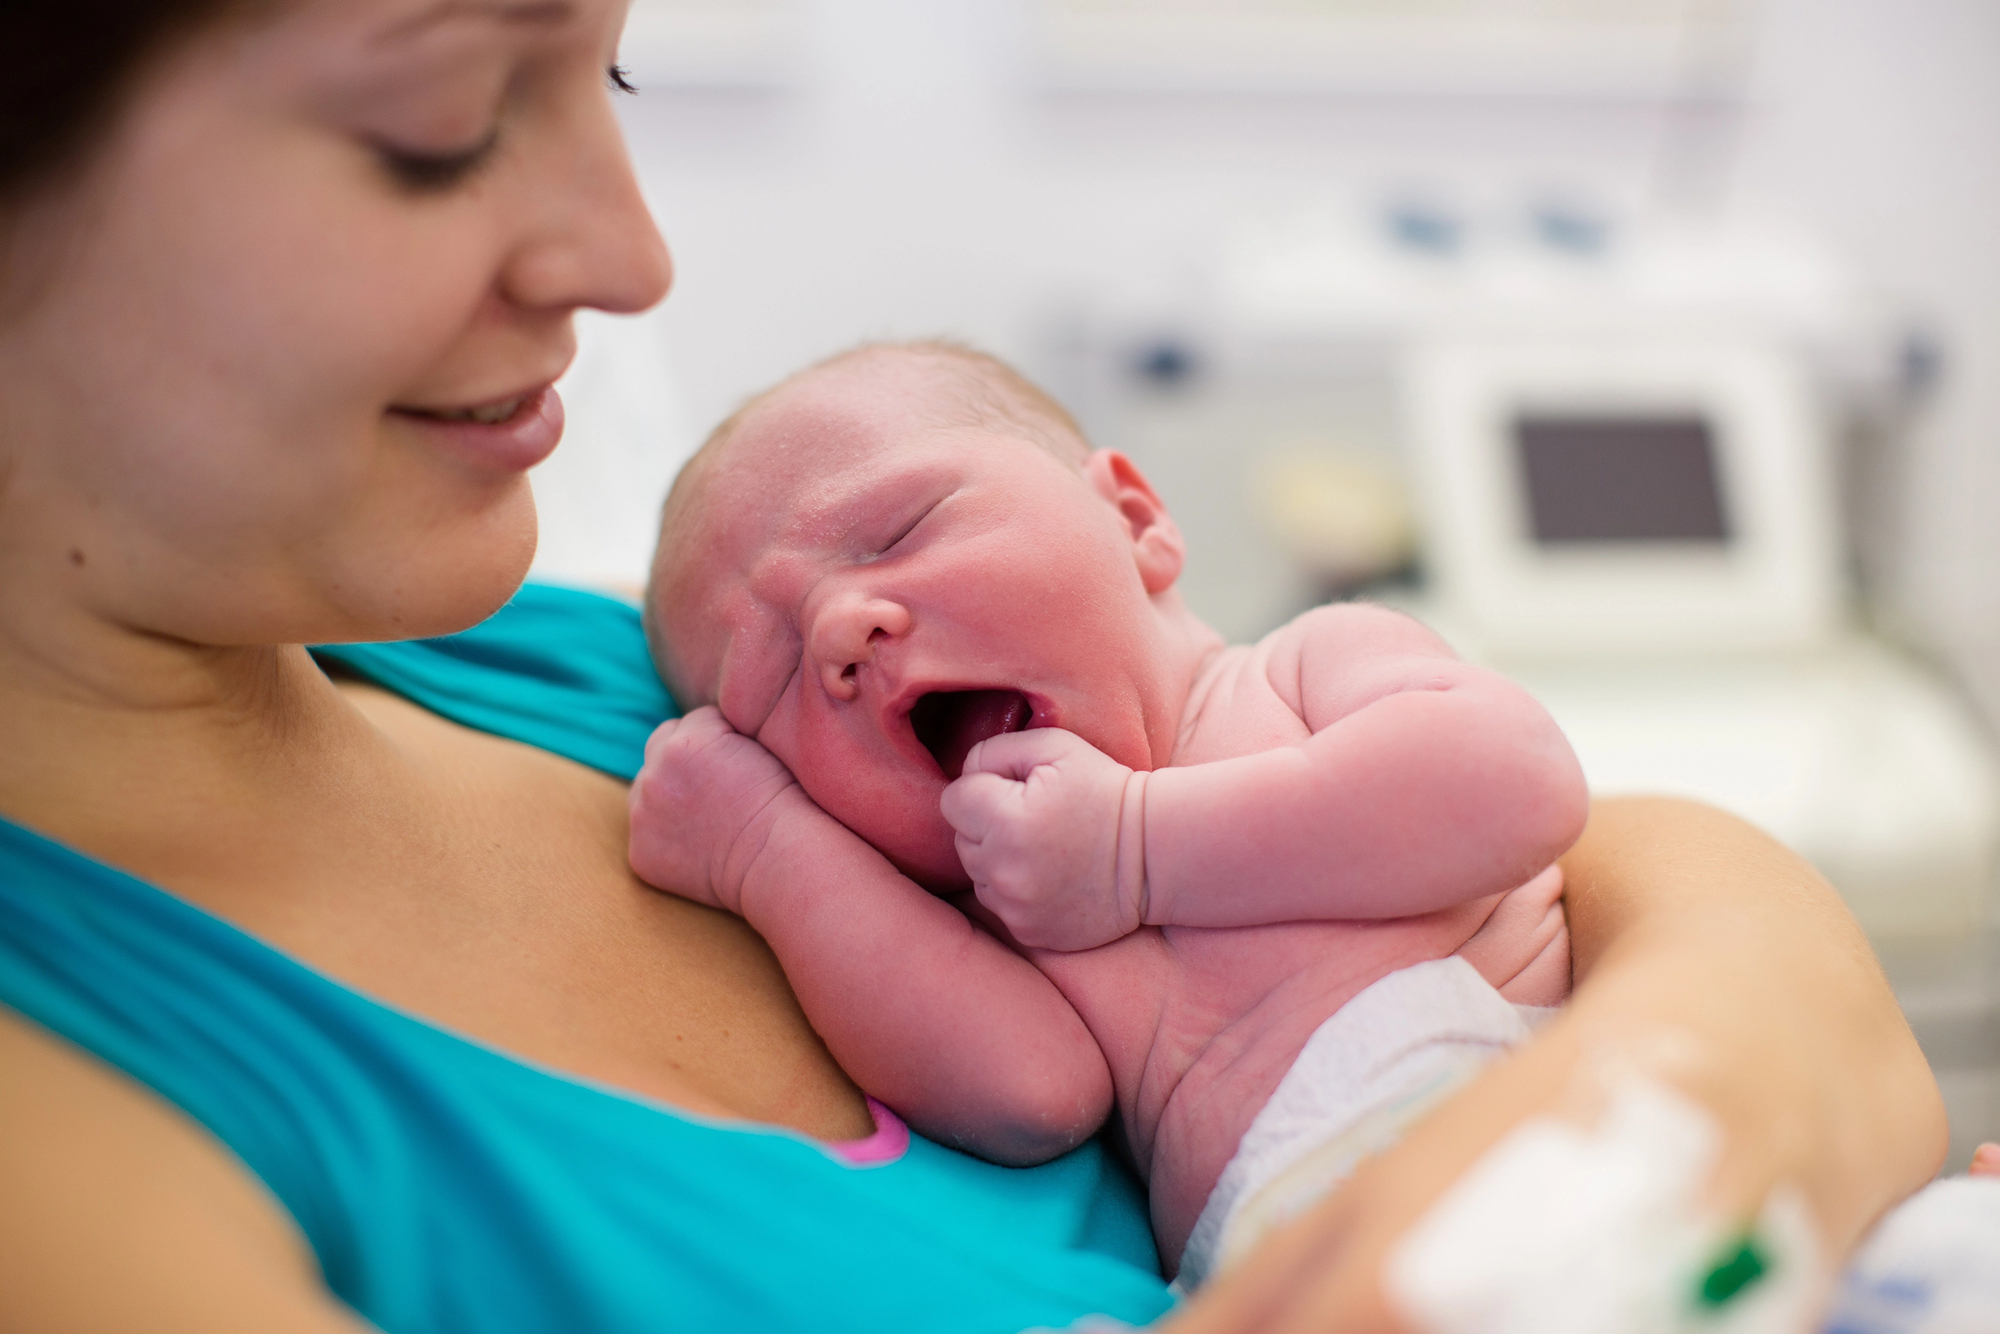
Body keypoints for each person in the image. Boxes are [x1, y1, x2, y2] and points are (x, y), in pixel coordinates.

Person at [0, 1, 1945, 1331]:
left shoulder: (547, 664)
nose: (629, 248)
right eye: (434, 127)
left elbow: (1569, 822)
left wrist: (1710, 1063)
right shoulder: (83, 1145)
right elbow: (1022, 1081)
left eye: (620, 71)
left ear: (1135, 511)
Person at [632, 341, 1586, 1283]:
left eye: (901, 532)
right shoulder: (1004, 917)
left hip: (1570, 1144)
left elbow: (1517, 781)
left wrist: (1138, 848)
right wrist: (766, 848)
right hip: (1302, 1261)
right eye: (775, 679)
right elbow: (1030, 1098)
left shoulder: (1299, 671)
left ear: (1134, 518)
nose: (842, 628)